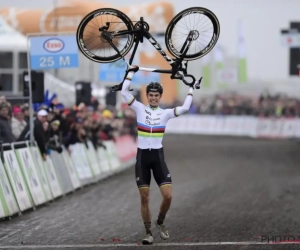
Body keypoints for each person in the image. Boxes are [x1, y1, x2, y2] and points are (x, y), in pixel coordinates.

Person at [121, 65, 198, 245]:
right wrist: (131, 72)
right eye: (151, 95)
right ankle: (148, 232)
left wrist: (191, 88)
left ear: (160, 97)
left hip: (157, 157)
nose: (154, 98)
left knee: (168, 196)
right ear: (147, 96)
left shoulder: (165, 113)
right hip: (142, 158)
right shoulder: (139, 108)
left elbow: (185, 107)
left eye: (156, 96)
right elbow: (124, 91)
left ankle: (160, 222)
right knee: (144, 197)